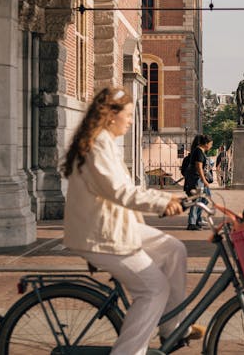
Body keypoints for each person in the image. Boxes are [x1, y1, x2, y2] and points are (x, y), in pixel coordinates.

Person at [62, 87, 204, 354]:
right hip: (101, 235)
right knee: (153, 290)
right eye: (127, 115)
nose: (130, 121)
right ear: (110, 115)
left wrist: (168, 199)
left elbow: (127, 189)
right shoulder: (98, 145)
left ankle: (172, 329)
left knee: (174, 249)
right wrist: (162, 203)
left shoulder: (105, 142)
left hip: (115, 226)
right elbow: (119, 192)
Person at [185, 134, 213, 230]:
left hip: (199, 179)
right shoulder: (198, 152)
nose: (211, 146)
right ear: (206, 144)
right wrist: (204, 180)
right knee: (197, 200)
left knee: (206, 198)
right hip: (197, 179)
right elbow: (199, 167)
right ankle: (192, 223)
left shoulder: (201, 151)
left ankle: (197, 219)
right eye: (210, 144)